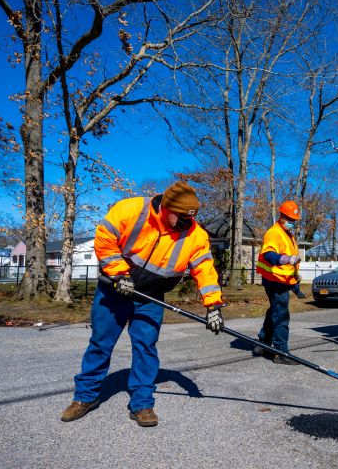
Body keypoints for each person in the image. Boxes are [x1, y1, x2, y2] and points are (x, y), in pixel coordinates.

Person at [61, 181, 225, 427]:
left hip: (151, 295)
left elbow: (204, 269)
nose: (185, 223)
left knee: (146, 347)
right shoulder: (131, 211)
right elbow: (104, 238)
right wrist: (119, 274)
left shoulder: (195, 234)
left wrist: (213, 306)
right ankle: (85, 397)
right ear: (166, 208)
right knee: (100, 344)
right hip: (114, 290)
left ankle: (142, 402)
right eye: (180, 217)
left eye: (190, 218)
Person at [254, 200, 303, 365]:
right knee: (281, 314)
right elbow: (269, 255)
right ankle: (281, 352)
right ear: (281, 215)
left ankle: (263, 343)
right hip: (274, 280)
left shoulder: (288, 234)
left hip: (281, 280)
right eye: (289, 218)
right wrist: (287, 259)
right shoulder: (274, 233)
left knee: (275, 310)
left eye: (294, 220)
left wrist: (295, 277)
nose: (292, 222)